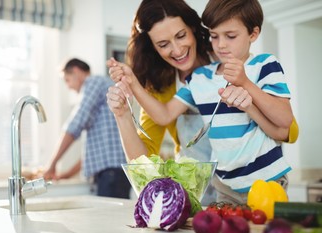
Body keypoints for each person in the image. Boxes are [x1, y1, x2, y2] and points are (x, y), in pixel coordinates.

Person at [108, 0, 297, 204]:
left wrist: (248, 96)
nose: (177, 49)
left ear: (193, 29)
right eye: (163, 44)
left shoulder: (247, 63)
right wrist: (126, 103)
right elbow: (157, 127)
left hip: (260, 178)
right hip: (208, 188)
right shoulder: (189, 81)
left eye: (181, 36)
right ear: (153, 48)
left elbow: (286, 126)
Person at [44, 58, 131, 199]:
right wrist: (66, 174)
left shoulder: (93, 82)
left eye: (67, 80)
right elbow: (95, 153)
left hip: (112, 175)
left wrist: (51, 165)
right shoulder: (100, 91)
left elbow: (74, 125)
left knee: (108, 220)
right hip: (113, 174)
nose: (68, 86)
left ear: (76, 72)